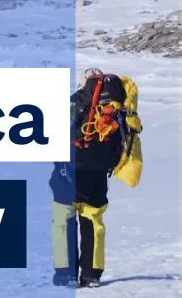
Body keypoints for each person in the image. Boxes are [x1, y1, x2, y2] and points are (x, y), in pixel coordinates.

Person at [50, 68, 143, 288]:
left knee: (63, 221)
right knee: (93, 221)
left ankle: (66, 273)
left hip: (68, 172)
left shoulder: (74, 102)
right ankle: (91, 275)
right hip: (99, 172)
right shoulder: (115, 107)